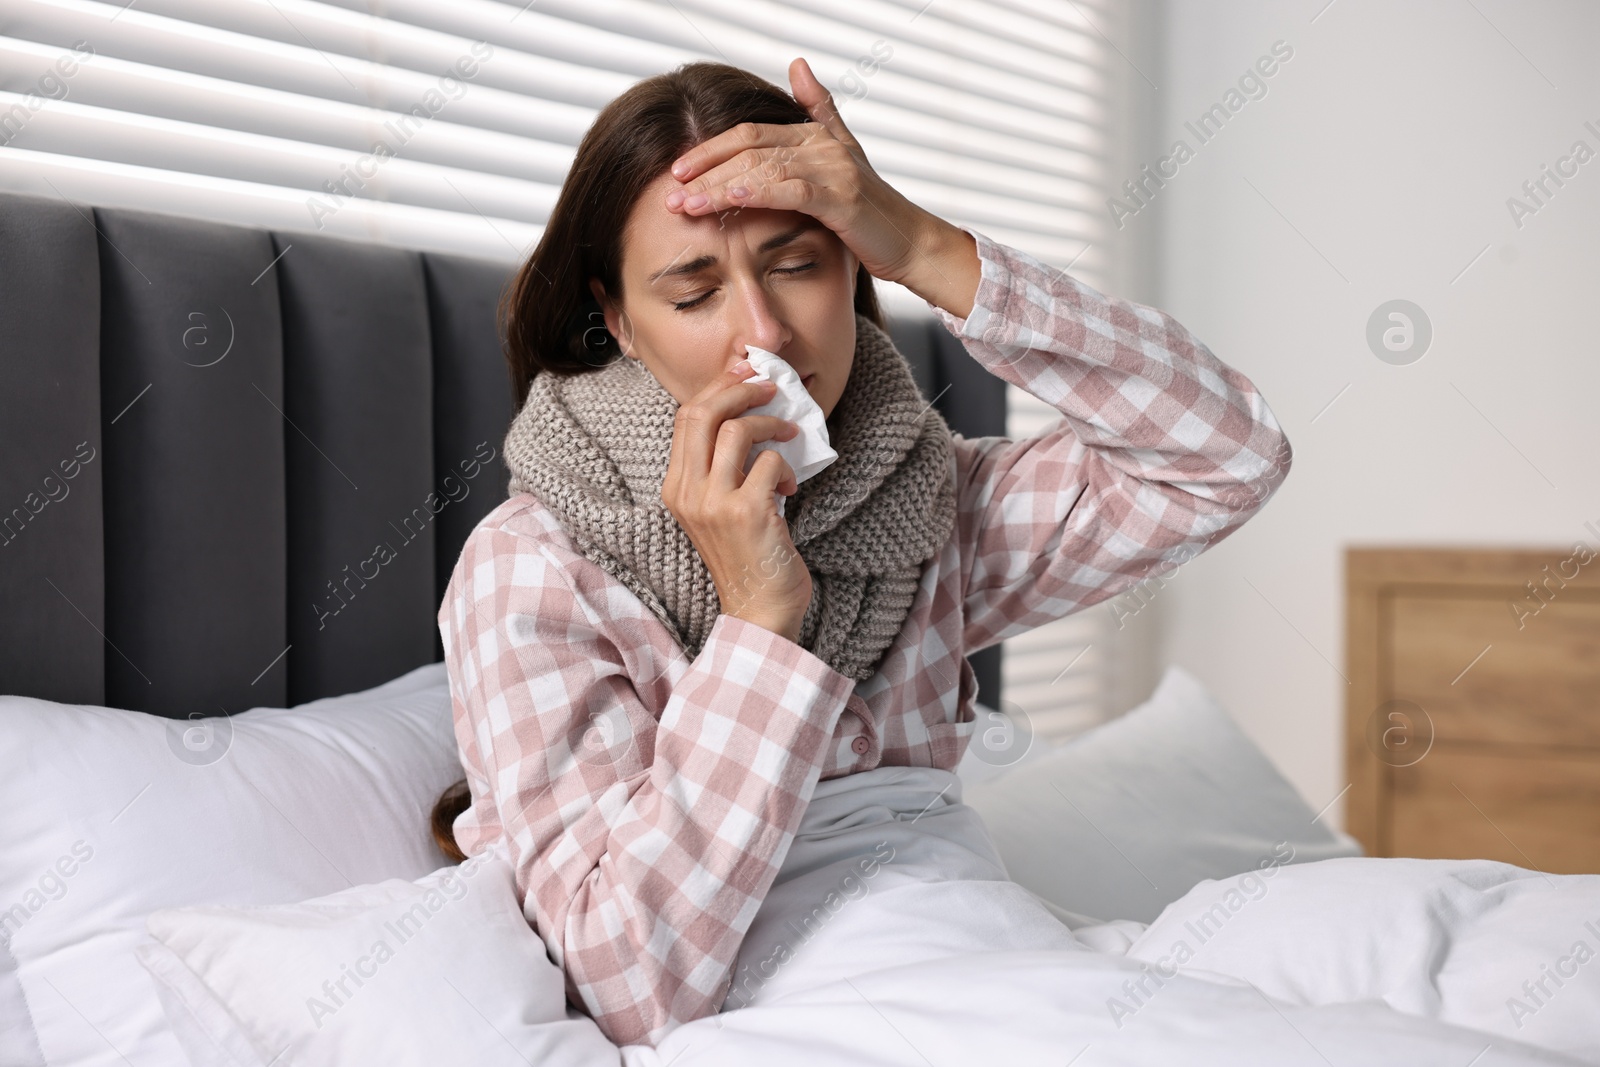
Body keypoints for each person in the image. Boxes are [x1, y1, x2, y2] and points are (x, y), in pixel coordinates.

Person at [430, 56, 1292, 1049]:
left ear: (852, 266)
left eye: (798, 263)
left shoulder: (929, 504)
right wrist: (759, 617)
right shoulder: (532, 567)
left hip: (987, 952)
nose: (764, 333)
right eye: (693, 290)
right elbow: (623, 975)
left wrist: (924, 243)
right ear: (619, 319)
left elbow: (1227, 455)